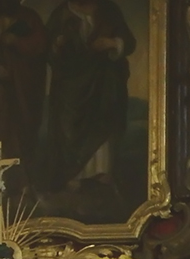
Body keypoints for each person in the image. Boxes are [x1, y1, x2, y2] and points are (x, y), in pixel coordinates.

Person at [42, 0, 135, 192]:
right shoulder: (61, 14)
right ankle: (73, 175)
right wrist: (56, 45)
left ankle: (102, 173)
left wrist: (111, 43)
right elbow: (45, 49)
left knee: (103, 120)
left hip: (103, 82)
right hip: (70, 85)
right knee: (69, 128)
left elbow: (129, 42)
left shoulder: (108, 9)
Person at [0, 0, 47, 186]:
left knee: (22, 134)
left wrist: (17, 42)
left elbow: (41, 47)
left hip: (23, 92)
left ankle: (23, 182)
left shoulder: (30, 18)